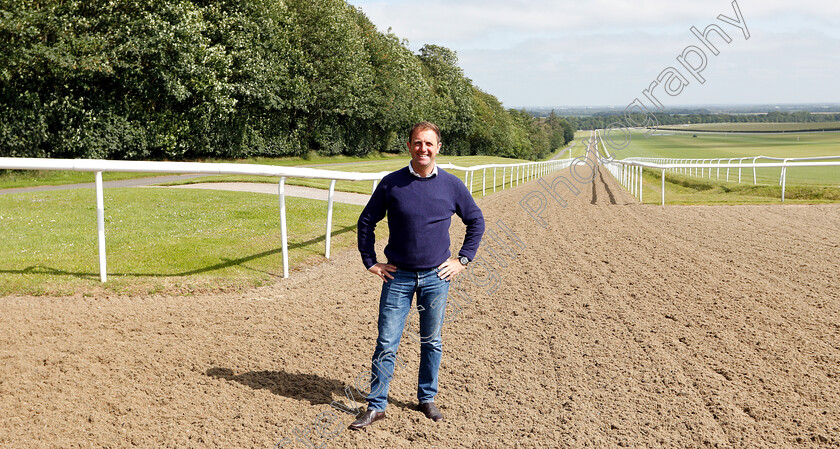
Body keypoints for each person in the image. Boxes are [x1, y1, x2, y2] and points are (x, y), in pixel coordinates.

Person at [349, 121, 485, 430]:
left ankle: (426, 398)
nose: (423, 148)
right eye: (417, 143)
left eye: (428, 143)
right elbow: (366, 222)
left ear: (438, 147)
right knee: (387, 341)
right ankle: (377, 405)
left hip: (437, 277)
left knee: (431, 341)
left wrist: (462, 260)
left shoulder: (452, 185)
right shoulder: (391, 184)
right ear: (409, 146)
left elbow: (476, 221)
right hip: (397, 277)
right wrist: (371, 262)